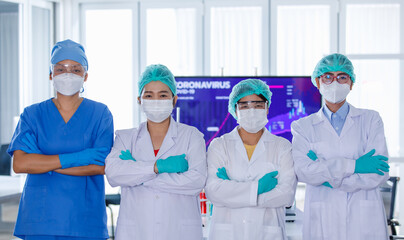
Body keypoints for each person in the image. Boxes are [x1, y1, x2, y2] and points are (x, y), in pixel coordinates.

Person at [7, 39, 113, 240]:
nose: (68, 74)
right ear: (50, 74)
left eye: (76, 69)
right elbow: (20, 164)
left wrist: (42, 161)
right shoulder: (32, 114)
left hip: (84, 219)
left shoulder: (100, 114)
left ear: (86, 76)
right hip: (40, 219)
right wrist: (81, 156)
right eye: (60, 69)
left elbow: (101, 166)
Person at [291, 53, 390, 240]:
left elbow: (379, 173)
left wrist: (327, 176)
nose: (334, 82)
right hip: (322, 218)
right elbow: (303, 172)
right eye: (327, 76)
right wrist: (355, 166)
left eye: (342, 77)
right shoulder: (302, 127)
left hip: (364, 220)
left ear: (351, 83)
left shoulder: (371, 120)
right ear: (317, 82)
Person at [105, 64, 207, 240]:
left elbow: (196, 181)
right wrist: (157, 167)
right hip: (136, 231)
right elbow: (114, 175)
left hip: (179, 232)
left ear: (174, 100)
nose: (156, 100)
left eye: (163, 95)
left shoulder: (192, 136)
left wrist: (140, 176)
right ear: (140, 100)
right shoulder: (125, 138)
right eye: (149, 95)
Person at [205, 79, 297, 240]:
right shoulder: (219, 145)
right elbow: (213, 192)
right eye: (244, 106)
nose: (252, 110)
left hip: (268, 233)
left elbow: (286, 195)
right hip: (227, 234)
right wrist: (259, 188)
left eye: (258, 105)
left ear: (267, 107)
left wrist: (233, 193)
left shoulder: (282, 147)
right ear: (235, 109)